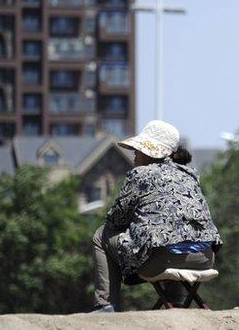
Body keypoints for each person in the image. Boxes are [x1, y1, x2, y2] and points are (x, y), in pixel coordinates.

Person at [91, 120, 222, 313]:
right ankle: (176, 304)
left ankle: (105, 304)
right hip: (205, 258)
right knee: (174, 239)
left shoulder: (140, 175)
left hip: (161, 260)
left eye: (138, 150)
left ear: (148, 152)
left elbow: (115, 220)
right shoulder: (190, 174)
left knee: (101, 235)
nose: (134, 154)